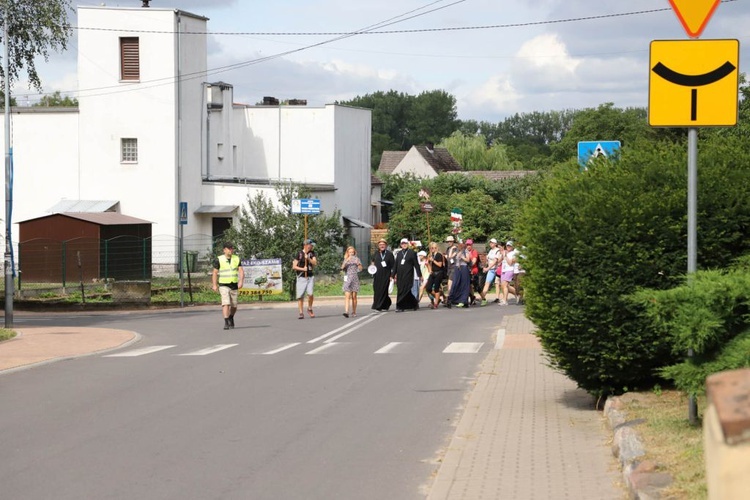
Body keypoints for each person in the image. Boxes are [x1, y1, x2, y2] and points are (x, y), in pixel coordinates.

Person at [211, 242, 245, 330]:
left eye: (232, 248)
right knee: (226, 302)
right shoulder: (219, 259)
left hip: (234, 284)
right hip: (223, 284)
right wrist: (214, 285)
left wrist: (241, 281)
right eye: (229, 248)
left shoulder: (236, 258)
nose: (231, 250)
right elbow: (215, 272)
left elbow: (241, 270)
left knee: (234, 305)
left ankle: (231, 317)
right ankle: (226, 322)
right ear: (224, 250)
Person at [392, 238, 422, 312]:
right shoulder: (398, 254)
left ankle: (399, 306)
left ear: (407, 244)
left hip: (408, 275)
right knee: (405, 291)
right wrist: (392, 275)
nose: (404, 245)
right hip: (400, 275)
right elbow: (395, 265)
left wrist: (419, 274)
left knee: (404, 290)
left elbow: (416, 264)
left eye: (405, 243)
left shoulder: (412, 253)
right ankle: (414, 303)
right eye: (402, 243)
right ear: (400, 245)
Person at [292, 239, 318, 319]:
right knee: (300, 296)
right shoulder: (299, 254)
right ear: (306, 245)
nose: (312, 246)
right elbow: (294, 266)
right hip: (301, 277)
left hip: (310, 276)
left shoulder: (312, 253)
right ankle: (301, 312)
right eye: (310, 245)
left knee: (310, 294)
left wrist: (308, 259)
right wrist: (303, 269)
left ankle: (309, 308)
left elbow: (315, 263)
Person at [371, 238, 395, 311]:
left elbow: (393, 265)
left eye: (383, 244)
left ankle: (378, 306)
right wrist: (372, 269)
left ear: (386, 245)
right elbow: (372, 262)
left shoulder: (389, 254)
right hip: (377, 275)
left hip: (386, 275)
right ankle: (386, 303)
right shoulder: (376, 253)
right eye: (380, 244)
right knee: (377, 290)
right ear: (378, 245)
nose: (382, 246)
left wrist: (392, 275)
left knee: (384, 290)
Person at [448, 239, 472, 308]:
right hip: (457, 268)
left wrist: (462, 257)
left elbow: (468, 260)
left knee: (464, 285)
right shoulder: (456, 251)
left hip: (464, 268)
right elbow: (450, 257)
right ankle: (452, 300)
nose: (460, 246)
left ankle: (464, 301)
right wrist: (452, 249)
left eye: (461, 244)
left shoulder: (466, 251)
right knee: (455, 284)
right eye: (459, 244)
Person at [341, 245, 363, 318]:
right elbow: (342, 267)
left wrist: (358, 264)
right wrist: (347, 260)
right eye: (350, 252)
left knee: (354, 296)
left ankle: (354, 311)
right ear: (347, 252)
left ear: (354, 253)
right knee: (347, 295)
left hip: (354, 278)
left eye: (352, 252)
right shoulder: (346, 259)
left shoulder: (357, 259)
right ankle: (346, 311)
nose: (351, 253)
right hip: (347, 278)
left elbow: (360, 269)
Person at [480, 238, 502, 305]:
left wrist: (488, 268)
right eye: (490, 243)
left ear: (495, 244)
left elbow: (495, 261)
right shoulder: (490, 251)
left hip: (496, 269)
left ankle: (498, 298)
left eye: (492, 243)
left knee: (498, 284)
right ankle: (483, 297)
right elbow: (488, 260)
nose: (491, 244)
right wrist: (485, 267)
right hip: (491, 270)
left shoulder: (497, 251)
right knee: (487, 283)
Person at [424, 241, 446, 309]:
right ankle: (438, 297)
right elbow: (428, 264)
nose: (433, 249)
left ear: (436, 248)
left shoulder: (439, 255)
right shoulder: (430, 255)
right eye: (431, 248)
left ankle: (436, 303)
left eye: (434, 248)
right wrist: (429, 269)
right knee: (428, 288)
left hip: (439, 272)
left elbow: (440, 265)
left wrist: (433, 260)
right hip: (433, 273)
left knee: (436, 288)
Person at [500, 240, 518, 306]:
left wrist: (506, 255)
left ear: (512, 247)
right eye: (507, 245)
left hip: (510, 270)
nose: (508, 247)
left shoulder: (513, 253)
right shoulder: (505, 252)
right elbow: (500, 260)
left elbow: (510, 263)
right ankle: (517, 294)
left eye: (510, 246)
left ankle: (505, 300)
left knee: (505, 285)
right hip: (504, 270)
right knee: (504, 286)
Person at [465, 238, 480, 306]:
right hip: (467, 271)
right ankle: (472, 298)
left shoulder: (474, 252)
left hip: (474, 271)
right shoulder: (465, 251)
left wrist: (467, 261)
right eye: (467, 245)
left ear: (472, 245)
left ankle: (483, 298)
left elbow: (473, 262)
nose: (468, 246)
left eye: (470, 245)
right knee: (468, 286)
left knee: (476, 286)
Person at [444, 235, 458, 304]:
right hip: (449, 268)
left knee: (450, 283)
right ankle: (451, 298)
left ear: (453, 241)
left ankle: (449, 298)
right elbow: (447, 258)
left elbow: (449, 257)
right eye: (448, 241)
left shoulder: (455, 249)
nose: (449, 242)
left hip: (454, 268)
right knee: (451, 284)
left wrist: (451, 250)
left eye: (450, 241)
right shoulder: (448, 249)